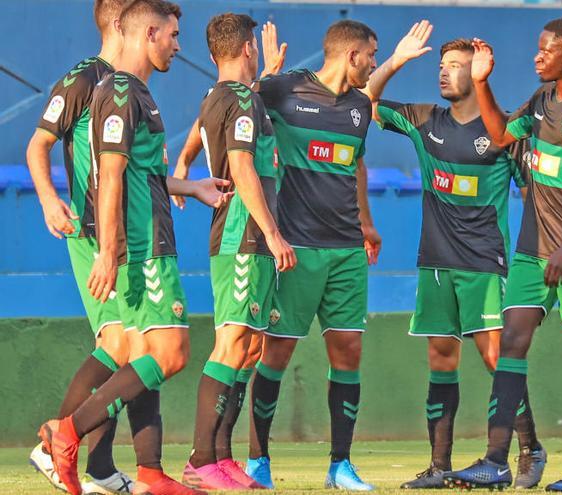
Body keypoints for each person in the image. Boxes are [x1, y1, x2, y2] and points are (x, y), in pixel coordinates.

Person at [37, 1, 229, 494]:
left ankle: (146, 473)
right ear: (145, 31)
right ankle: (66, 433)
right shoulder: (118, 89)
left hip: (139, 241)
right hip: (138, 247)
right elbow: (111, 174)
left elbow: (137, 171)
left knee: (138, 350)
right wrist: (106, 249)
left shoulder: (130, 90)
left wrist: (192, 187)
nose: (179, 45)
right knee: (169, 351)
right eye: (173, 34)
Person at [444, 16, 562, 492]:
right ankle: (494, 461)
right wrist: (482, 83)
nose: (536, 56)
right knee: (511, 342)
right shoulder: (542, 99)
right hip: (532, 250)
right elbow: (503, 135)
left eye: (545, 51)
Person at [364, 25, 547, 489]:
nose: (444, 75)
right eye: (441, 67)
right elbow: (362, 107)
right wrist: (395, 61)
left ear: (479, 71)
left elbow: (532, 198)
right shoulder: (424, 119)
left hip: (485, 265)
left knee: (494, 358)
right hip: (436, 264)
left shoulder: (502, 132)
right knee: (441, 359)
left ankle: (529, 449)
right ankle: (439, 466)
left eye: (455, 67)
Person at [245, 19, 381, 490]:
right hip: (296, 248)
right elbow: (229, 110)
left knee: (348, 352)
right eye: (373, 56)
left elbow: (356, 164)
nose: (375, 64)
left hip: (346, 249)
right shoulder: (283, 90)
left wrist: (366, 222)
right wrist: (262, 74)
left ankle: (340, 465)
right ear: (351, 55)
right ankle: (257, 461)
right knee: (276, 352)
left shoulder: (361, 107)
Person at [179, 12, 295, 491]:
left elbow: (202, 131)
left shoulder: (219, 96)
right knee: (231, 343)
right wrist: (272, 232)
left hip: (245, 235)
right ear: (249, 47)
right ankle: (200, 460)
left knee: (248, 347)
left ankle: (222, 457)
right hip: (244, 235)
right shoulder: (243, 99)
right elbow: (243, 165)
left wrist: (184, 164)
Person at [25, 2, 135, 492]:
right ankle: (55, 446)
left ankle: (100, 467)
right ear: (120, 24)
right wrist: (50, 200)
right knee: (117, 345)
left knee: (127, 350)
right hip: (92, 232)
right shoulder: (84, 78)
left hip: (127, 236)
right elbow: (37, 144)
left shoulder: (127, 83)